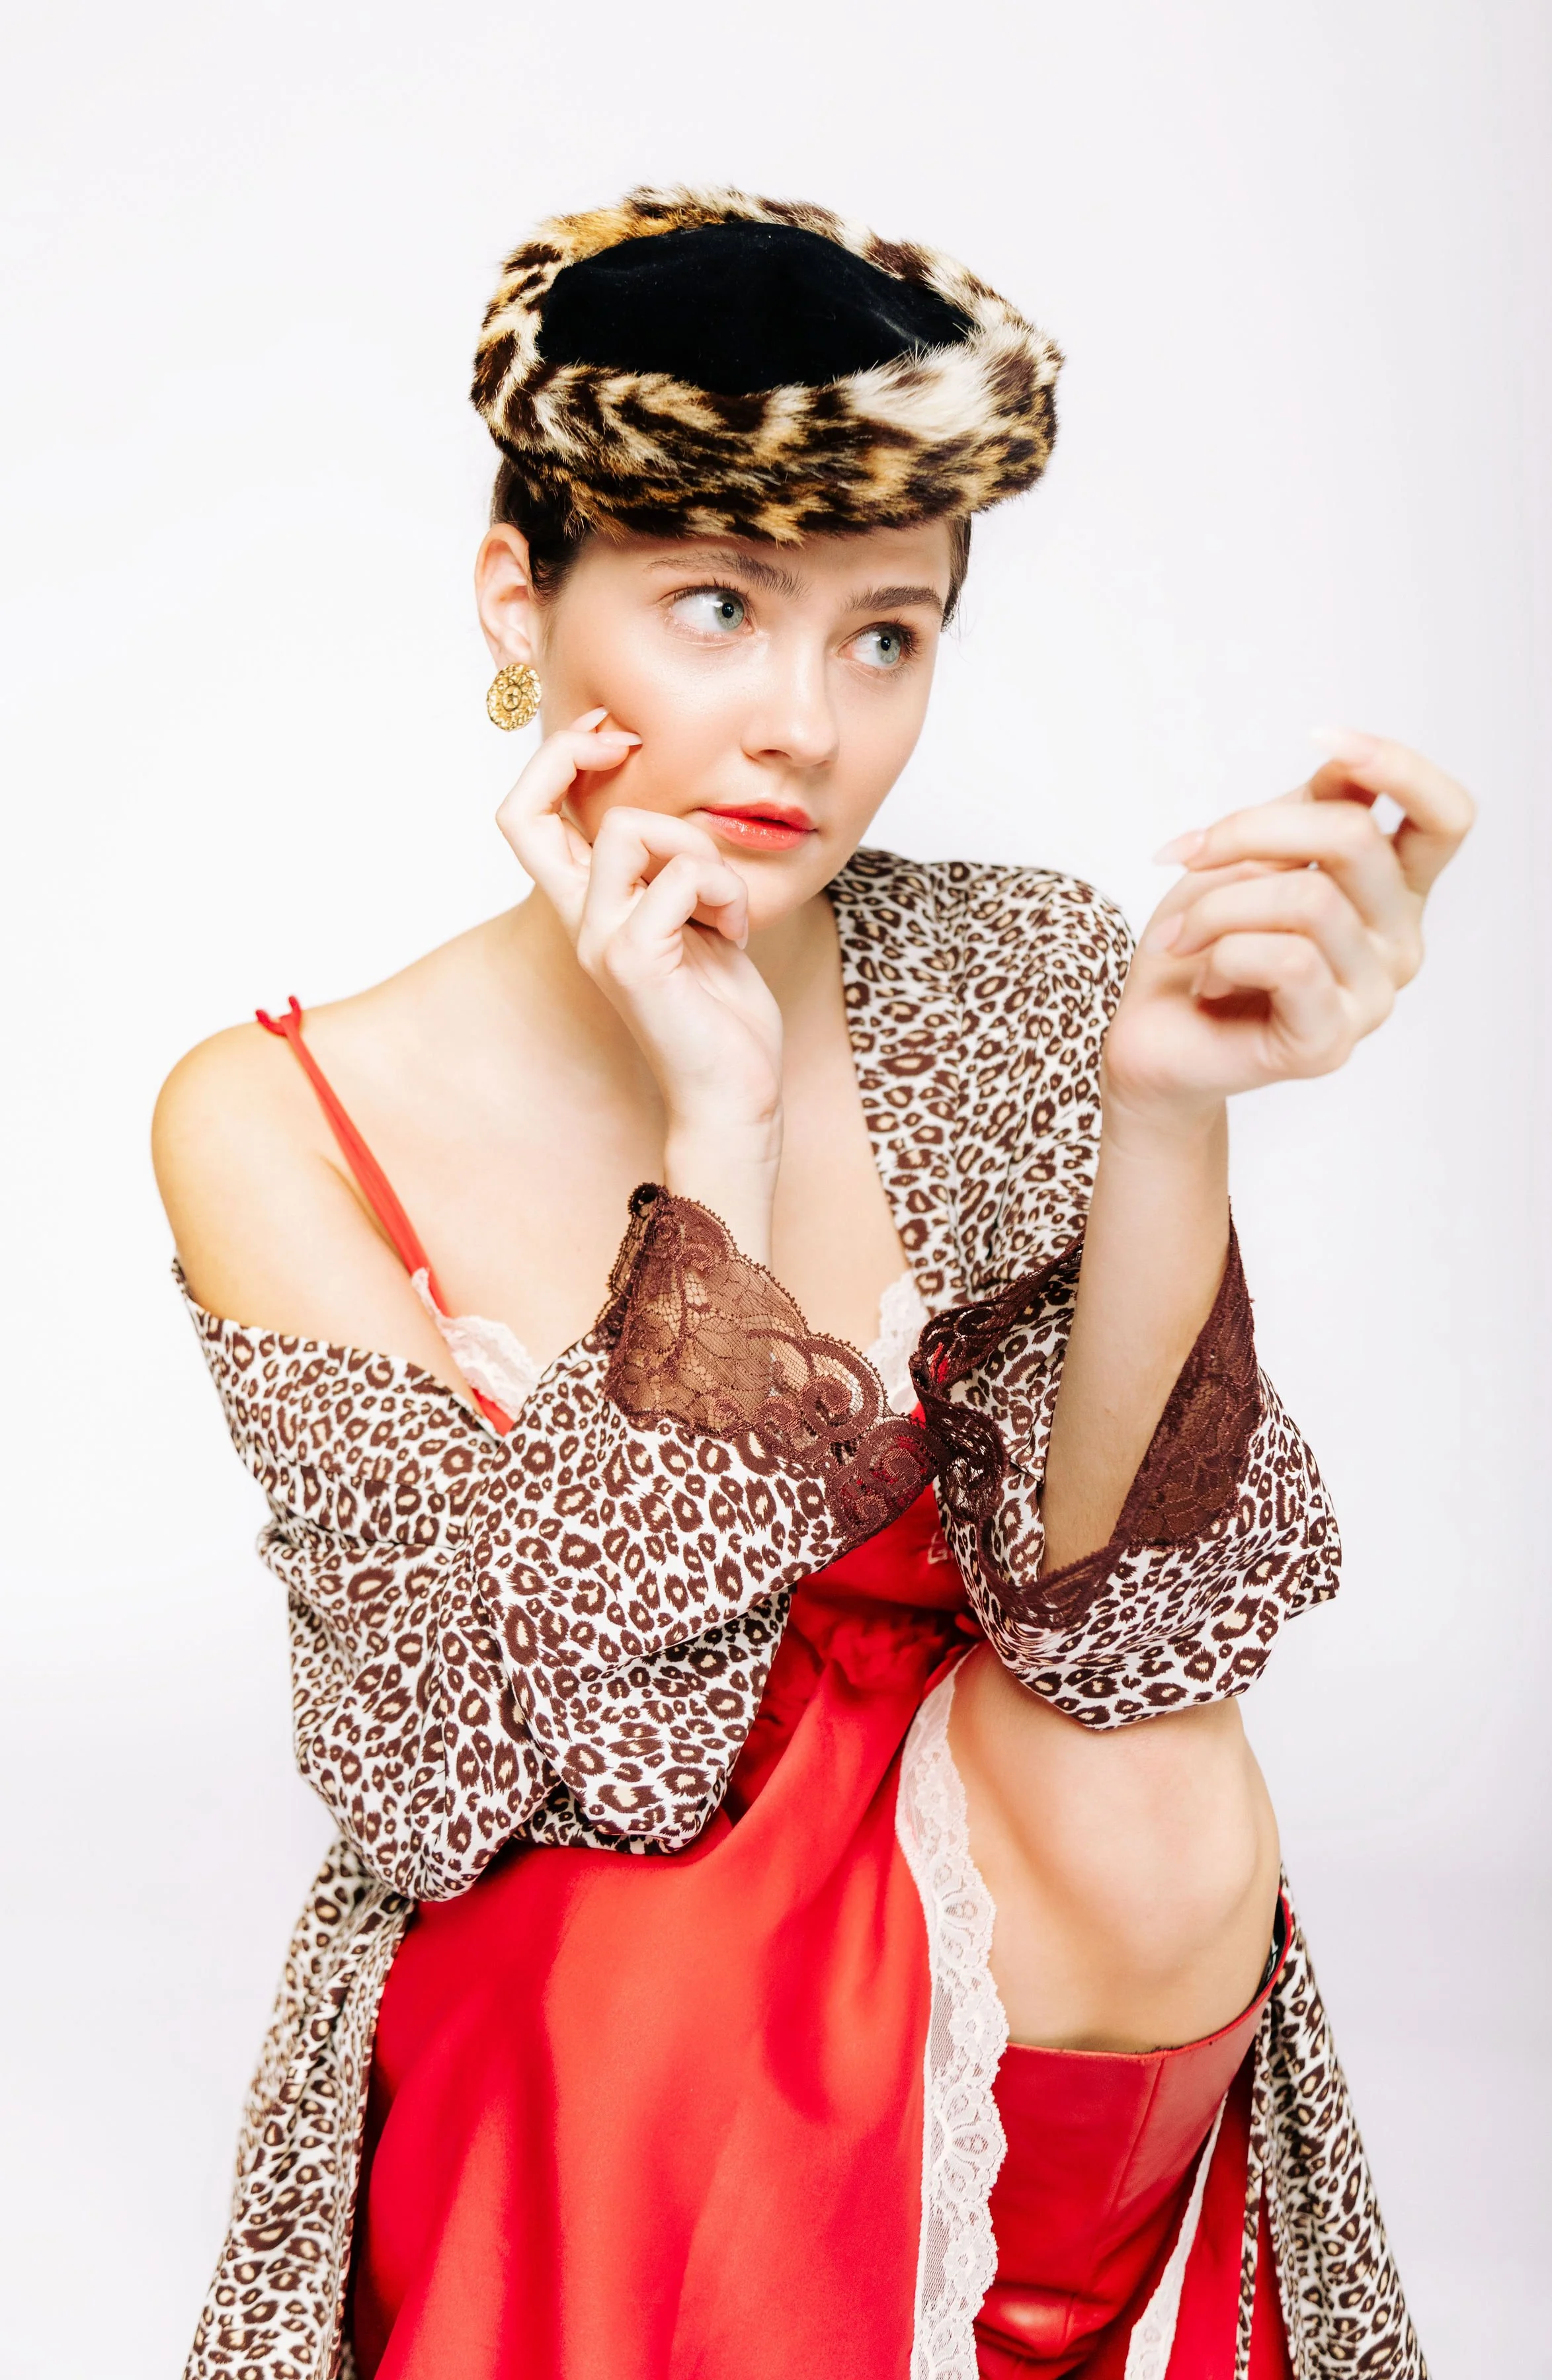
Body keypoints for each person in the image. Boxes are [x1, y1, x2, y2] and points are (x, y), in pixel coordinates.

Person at [153, 186, 1472, 2380]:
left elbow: (1125, 1637)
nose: (807, 727)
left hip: (1014, 1899)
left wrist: (1163, 1115)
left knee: (1162, 1774)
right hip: (575, 1932)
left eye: (885, 636)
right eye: (716, 608)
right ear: (519, 603)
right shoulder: (279, 1115)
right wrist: (717, 1154)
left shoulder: (1015, 968)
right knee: (623, 1962)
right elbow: (472, 1780)